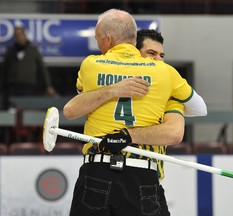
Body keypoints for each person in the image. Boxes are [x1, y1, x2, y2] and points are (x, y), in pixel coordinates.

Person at [65, 9, 206, 216]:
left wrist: (111, 90)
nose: (98, 45)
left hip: (96, 170)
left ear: (109, 39)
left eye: (98, 40)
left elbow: (72, 108)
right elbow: (200, 108)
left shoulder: (90, 65)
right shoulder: (166, 74)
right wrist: (167, 100)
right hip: (142, 174)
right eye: (152, 53)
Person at [2, 26, 56, 97]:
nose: (19, 37)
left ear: (24, 35)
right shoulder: (10, 50)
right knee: (12, 106)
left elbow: (42, 69)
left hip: (28, 85)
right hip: (13, 85)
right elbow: (4, 69)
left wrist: (48, 86)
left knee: (27, 106)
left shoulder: (33, 49)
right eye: (17, 35)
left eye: (20, 34)